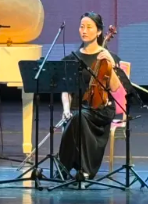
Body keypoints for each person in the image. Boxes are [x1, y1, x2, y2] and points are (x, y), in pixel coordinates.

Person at [57, 12, 125, 180]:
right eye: (82, 27)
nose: (84, 31)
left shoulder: (108, 56)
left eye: (89, 27)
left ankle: (71, 168)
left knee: (79, 117)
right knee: (76, 116)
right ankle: (76, 169)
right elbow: (66, 90)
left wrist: (110, 63)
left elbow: (116, 88)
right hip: (77, 108)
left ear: (99, 31)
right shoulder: (71, 59)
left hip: (100, 109)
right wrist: (66, 109)